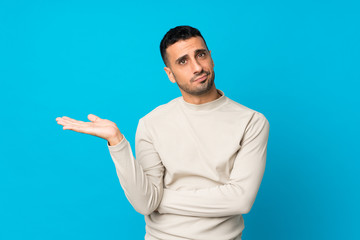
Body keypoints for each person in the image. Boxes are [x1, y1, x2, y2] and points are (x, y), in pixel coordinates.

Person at [56, 25, 270, 240]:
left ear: (211, 58)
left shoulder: (251, 121)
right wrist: (117, 142)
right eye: (183, 61)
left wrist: (159, 199)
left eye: (201, 55)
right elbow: (144, 203)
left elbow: (240, 200)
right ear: (170, 74)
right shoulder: (151, 123)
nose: (197, 67)